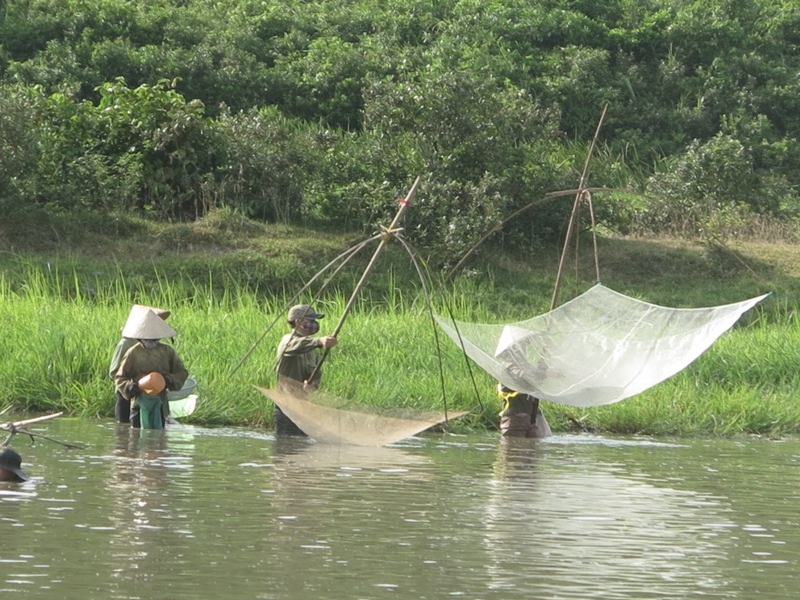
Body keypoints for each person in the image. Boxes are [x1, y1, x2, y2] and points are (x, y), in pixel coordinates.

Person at [115, 308, 189, 429]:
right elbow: (119, 377)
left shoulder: (167, 351)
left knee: (158, 437)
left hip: (160, 402)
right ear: (140, 337)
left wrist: (168, 380)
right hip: (139, 403)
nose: (151, 342)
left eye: (154, 339)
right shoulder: (132, 353)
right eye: (147, 339)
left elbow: (182, 372)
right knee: (136, 436)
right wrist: (129, 386)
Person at [274, 304, 337, 435]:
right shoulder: (288, 340)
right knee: (286, 446)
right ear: (298, 321)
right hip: (286, 407)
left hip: (303, 407)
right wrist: (319, 341)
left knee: (301, 446)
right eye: (311, 320)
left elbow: (315, 374)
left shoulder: (312, 350)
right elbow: (294, 345)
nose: (314, 324)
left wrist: (313, 384)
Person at [109, 305, 171, 424]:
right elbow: (114, 371)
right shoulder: (126, 344)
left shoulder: (156, 344)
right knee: (125, 430)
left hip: (151, 393)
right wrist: (132, 384)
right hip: (127, 394)